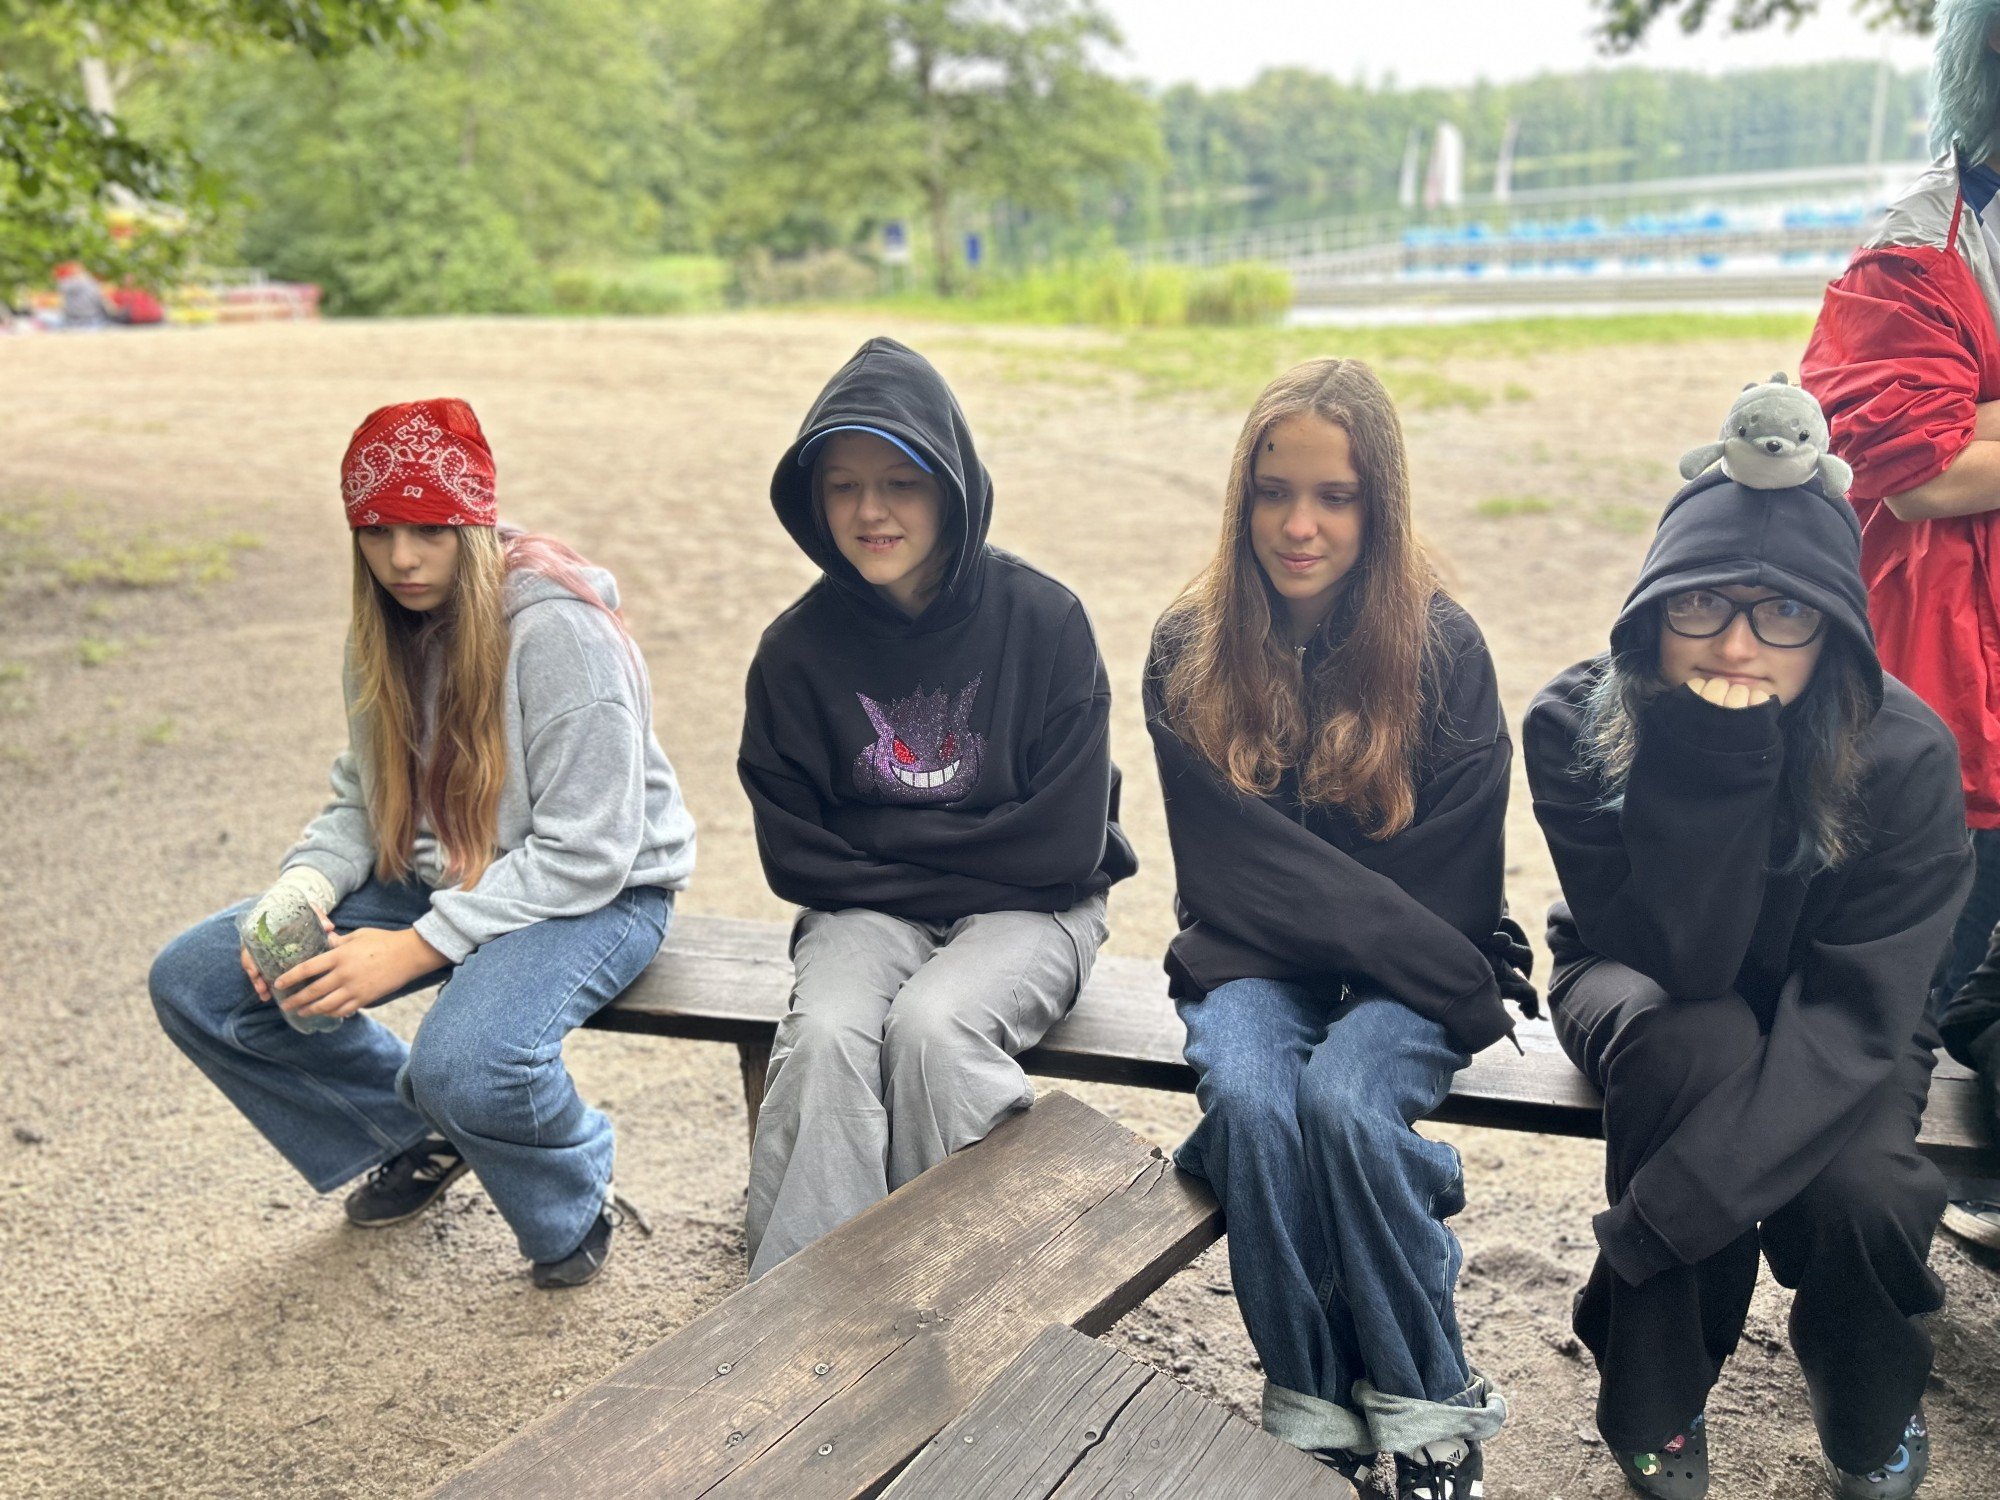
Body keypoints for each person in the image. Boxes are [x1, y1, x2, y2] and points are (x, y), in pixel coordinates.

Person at [150, 398, 695, 1288]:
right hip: (447, 869)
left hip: (597, 890)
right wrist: (302, 889)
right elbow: (366, 799)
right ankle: (409, 1132)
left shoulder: (559, 629)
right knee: (200, 980)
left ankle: (573, 1188)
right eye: (377, 531)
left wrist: (413, 946)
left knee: (465, 1064)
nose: (402, 559)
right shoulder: (384, 624)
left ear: (471, 523)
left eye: (429, 530)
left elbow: (590, 850)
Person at [1524, 459, 1971, 1500]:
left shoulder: (1904, 756)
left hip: (1847, 1004)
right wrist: (1715, 754)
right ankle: (1656, 1392)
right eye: (1700, 604)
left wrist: (1665, 1217)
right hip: (1634, 970)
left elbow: (1864, 1011)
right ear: (1651, 608)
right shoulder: (1575, 722)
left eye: (1783, 612)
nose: (1735, 645)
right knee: (1695, 1042)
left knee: (1865, 1189)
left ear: (1833, 630)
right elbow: (1682, 964)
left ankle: (1865, 1397)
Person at [1144, 357, 1530, 1500]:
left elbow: (1451, 885)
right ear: (1241, 498)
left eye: (1333, 497)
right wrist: (1352, 917)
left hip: (1418, 969)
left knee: (1346, 1105)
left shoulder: (1443, 650)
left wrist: (1413, 959)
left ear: (1379, 505)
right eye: (1273, 493)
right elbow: (1225, 870)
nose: (1297, 525)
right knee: (1254, 1102)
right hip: (1253, 957)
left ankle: (1428, 1413)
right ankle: (1314, 1408)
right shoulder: (1187, 648)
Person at [738, 337, 1136, 1279]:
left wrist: (882, 846)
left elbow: (1062, 845)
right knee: (827, 1036)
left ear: (952, 488)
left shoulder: (1046, 623)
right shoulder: (794, 652)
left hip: (1035, 909)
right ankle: (813, 1302)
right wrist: (955, 854)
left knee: (933, 1027)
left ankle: (967, 1285)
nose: (869, 511)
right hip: (869, 914)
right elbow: (795, 857)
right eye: (842, 486)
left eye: (901, 483)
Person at [1800, 0, 2000, 1247]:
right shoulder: (1912, 247)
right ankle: (1863, 1266)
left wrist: (1981, 420)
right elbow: (1916, 468)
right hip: (1944, 695)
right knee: (1901, 991)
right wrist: (1960, 435)